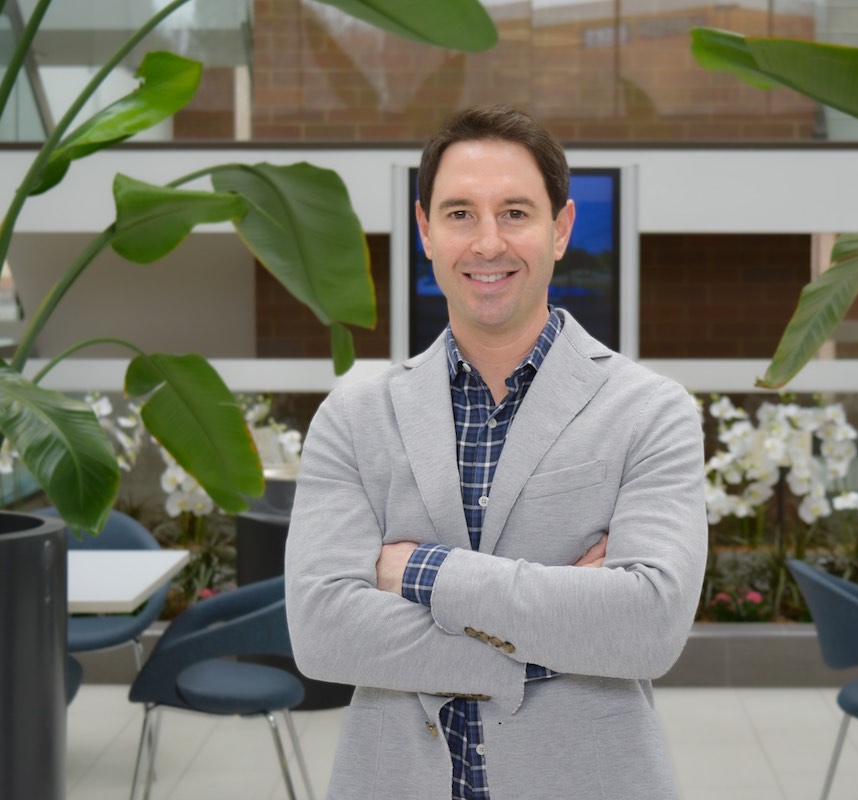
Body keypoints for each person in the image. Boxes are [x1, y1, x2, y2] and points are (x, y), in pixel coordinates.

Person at [285, 103, 708, 799]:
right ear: (425, 230)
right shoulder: (356, 416)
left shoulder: (649, 410)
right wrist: (550, 645)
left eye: (515, 212)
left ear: (560, 228)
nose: (488, 243)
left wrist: (422, 570)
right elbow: (324, 633)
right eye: (460, 214)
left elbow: (648, 627)